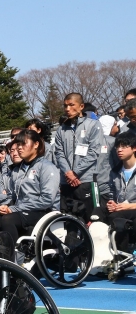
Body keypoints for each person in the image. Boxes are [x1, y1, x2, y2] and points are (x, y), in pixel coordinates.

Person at [0, 130, 59, 244]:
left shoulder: (46, 167)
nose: (19, 148)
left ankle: (11, 256)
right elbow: (12, 195)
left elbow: (47, 200)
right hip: (22, 210)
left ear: (36, 144)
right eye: (18, 144)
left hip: (42, 212)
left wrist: (14, 209)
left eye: (23, 144)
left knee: (8, 219)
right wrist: (3, 205)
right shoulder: (17, 170)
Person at [54, 92, 102, 222]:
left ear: (81, 106)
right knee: (70, 220)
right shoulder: (62, 129)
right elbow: (59, 152)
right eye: (65, 106)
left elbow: (94, 152)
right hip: (67, 181)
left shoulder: (93, 125)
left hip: (85, 180)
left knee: (90, 218)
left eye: (71, 105)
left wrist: (76, 172)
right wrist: (68, 172)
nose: (67, 109)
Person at [101, 132, 136, 252]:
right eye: (117, 146)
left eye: (124, 146)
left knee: (117, 218)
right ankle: (98, 254)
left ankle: (122, 256)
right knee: (96, 212)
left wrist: (128, 206)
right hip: (120, 207)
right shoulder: (115, 172)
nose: (119, 150)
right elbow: (112, 193)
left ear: (134, 148)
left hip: (132, 208)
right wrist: (112, 203)